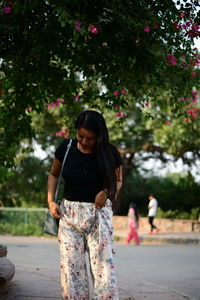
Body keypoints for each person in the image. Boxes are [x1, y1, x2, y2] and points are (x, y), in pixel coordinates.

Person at [47, 110, 123, 300]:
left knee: (103, 271)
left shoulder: (110, 153)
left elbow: (118, 180)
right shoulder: (66, 148)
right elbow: (54, 174)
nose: (83, 141)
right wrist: (50, 201)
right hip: (69, 215)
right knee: (72, 273)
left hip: (98, 216)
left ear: (100, 136)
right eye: (80, 135)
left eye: (89, 138)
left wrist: (107, 192)